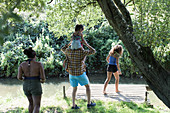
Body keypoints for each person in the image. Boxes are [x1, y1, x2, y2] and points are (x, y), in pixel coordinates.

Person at [61, 40, 96, 109]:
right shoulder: (82, 52)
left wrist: (69, 43)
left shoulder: (68, 51)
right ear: (79, 47)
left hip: (71, 74)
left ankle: (73, 105)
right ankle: (89, 103)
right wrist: (86, 44)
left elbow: (62, 49)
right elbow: (93, 51)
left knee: (74, 89)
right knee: (87, 87)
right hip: (80, 73)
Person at [17, 47, 46, 113]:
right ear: (34, 56)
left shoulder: (22, 64)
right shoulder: (39, 64)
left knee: (31, 103)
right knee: (37, 105)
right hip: (35, 84)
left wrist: (25, 79)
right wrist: (42, 81)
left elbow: (19, 77)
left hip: (26, 84)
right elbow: (43, 78)